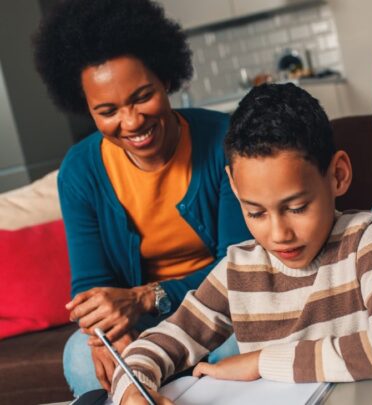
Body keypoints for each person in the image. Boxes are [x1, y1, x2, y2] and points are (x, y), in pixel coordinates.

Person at [109, 83, 372, 404]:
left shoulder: (363, 238)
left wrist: (262, 362)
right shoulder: (239, 268)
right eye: (256, 212)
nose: (279, 234)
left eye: (297, 208)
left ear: (338, 175)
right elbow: (165, 340)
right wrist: (132, 392)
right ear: (235, 188)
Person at [32, 0, 251, 396]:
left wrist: (147, 297)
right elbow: (91, 285)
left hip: (223, 310)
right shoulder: (80, 171)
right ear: (86, 109)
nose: (131, 122)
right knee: (80, 357)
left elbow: (241, 265)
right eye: (107, 110)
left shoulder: (225, 142)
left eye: (141, 96)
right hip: (141, 324)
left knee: (240, 345)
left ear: (166, 78)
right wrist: (104, 335)